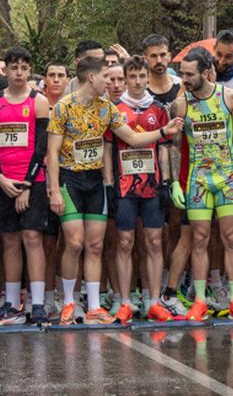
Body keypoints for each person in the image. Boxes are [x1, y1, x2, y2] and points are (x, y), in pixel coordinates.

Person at [48, 56, 179, 324]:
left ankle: (95, 306)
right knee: (74, 243)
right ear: (91, 77)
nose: (111, 82)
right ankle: (70, 302)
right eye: (106, 76)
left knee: (95, 244)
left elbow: (131, 138)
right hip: (69, 180)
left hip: (94, 181)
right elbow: (51, 152)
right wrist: (54, 190)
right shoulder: (63, 107)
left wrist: (163, 131)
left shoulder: (106, 108)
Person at [169, 47, 233, 322]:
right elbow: (173, 146)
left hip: (227, 177)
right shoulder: (181, 103)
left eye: (190, 74)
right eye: (182, 74)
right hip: (198, 180)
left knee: (230, 238)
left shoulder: (229, 97)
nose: (185, 79)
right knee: (199, 239)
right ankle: (201, 300)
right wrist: (175, 182)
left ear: (206, 72)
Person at [0, 46, 49, 325]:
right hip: (3, 181)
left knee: (32, 239)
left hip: (31, 180)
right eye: (14, 68)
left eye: (24, 68)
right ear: (6, 70)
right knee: (9, 240)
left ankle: (39, 304)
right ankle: (11, 303)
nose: (19, 73)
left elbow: (41, 146)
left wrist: (28, 185)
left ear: (28, 70)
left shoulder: (39, 101)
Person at [108, 56, 174, 323]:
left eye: (141, 76)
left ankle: (154, 301)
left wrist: (167, 182)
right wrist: (108, 183)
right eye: (131, 77)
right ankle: (124, 301)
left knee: (154, 242)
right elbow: (107, 148)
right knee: (124, 242)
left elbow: (165, 147)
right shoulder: (114, 108)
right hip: (124, 186)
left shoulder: (159, 109)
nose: (136, 81)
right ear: (125, 79)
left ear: (148, 78)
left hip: (152, 186)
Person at [212, 29, 233, 98]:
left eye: (228, 57)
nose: (221, 61)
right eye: (219, 55)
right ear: (214, 49)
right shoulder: (200, 74)